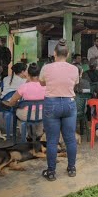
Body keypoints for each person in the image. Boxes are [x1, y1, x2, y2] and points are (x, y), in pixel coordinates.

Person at [39, 39, 79, 181]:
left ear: (54, 53)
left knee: (51, 140)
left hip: (52, 104)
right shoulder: (74, 69)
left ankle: (51, 172)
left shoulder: (46, 68)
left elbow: (42, 82)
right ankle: (71, 168)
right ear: (67, 54)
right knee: (70, 139)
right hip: (69, 103)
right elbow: (75, 83)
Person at [2, 63, 46, 141]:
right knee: (40, 113)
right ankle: (39, 134)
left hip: (26, 115)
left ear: (28, 74)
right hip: (42, 115)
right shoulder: (45, 86)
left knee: (18, 113)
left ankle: (25, 135)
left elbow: (12, 102)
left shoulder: (24, 86)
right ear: (39, 74)